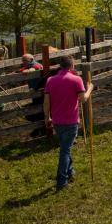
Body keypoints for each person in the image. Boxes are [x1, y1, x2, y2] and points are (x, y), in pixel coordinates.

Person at [44, 56, 93, 191]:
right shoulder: (76, 80)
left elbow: (46, 102)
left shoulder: (50, 80)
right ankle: (61, 180)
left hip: (57, 122)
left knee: (66, 147)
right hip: (71, 121)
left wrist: (47, 117)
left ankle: (70, 171)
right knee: (65, 150)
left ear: (60, 66)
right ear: (72, 66)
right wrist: (90, 88)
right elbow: (83, 99)